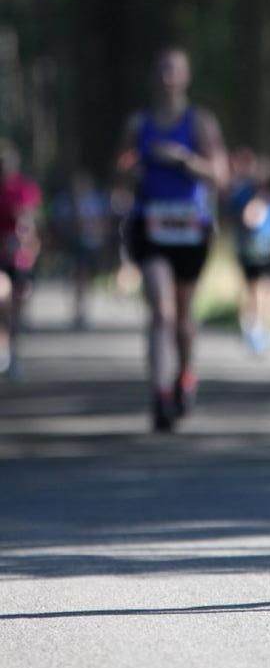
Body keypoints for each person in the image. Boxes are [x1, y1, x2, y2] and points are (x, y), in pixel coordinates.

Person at [116, 47, 228, 431]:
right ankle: (159, 394)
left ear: (186, 77)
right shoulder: (139, 124)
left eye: (174, 71)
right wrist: (132, 171)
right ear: (154, 76)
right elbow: (120, 170)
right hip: (150, 226)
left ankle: (185, 375)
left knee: (182, 316)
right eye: (162, 70)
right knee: (161, 312)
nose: (167, 77)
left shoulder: (200, 123)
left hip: (190, 229)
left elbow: (221, 175)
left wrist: (184, 160)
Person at [226, 146, 270, 354]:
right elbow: (238, 215)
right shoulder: (244, 192)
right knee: (252, 288)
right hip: (248, 250)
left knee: (267, 289)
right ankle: (252, 326)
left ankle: (264, 327)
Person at [0, 139, 42, 378]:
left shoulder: (25, 188)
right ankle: (3, 347)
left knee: (17, 304)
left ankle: (13, 352)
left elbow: (31, 220)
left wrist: (29, 238)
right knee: (2, 297)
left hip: (20, 258)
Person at [50, 168, 112, 328]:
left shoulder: (96, 200)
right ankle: (76, 308)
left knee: (85, 277)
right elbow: (58, 224)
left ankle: (82, 308)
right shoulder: (65, 201)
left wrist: (95, 230)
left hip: (90, 244)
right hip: (71, 244)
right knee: (75, 276)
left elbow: (104, 223)